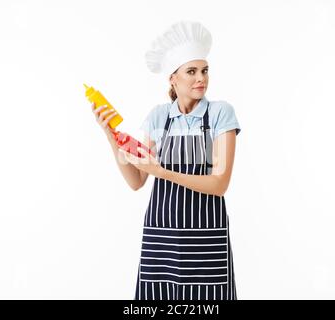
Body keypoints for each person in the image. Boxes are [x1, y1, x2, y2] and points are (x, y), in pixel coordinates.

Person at [91, 20, 241, 300]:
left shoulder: (221, 114)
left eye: (205, 71)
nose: (201, 79)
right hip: (162, 240)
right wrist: (110, 135)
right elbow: (136, 181)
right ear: (173, 78)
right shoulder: (159, 117)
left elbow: (220, 184)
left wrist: (161, 171)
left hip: (206, 240)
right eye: (192, 71)